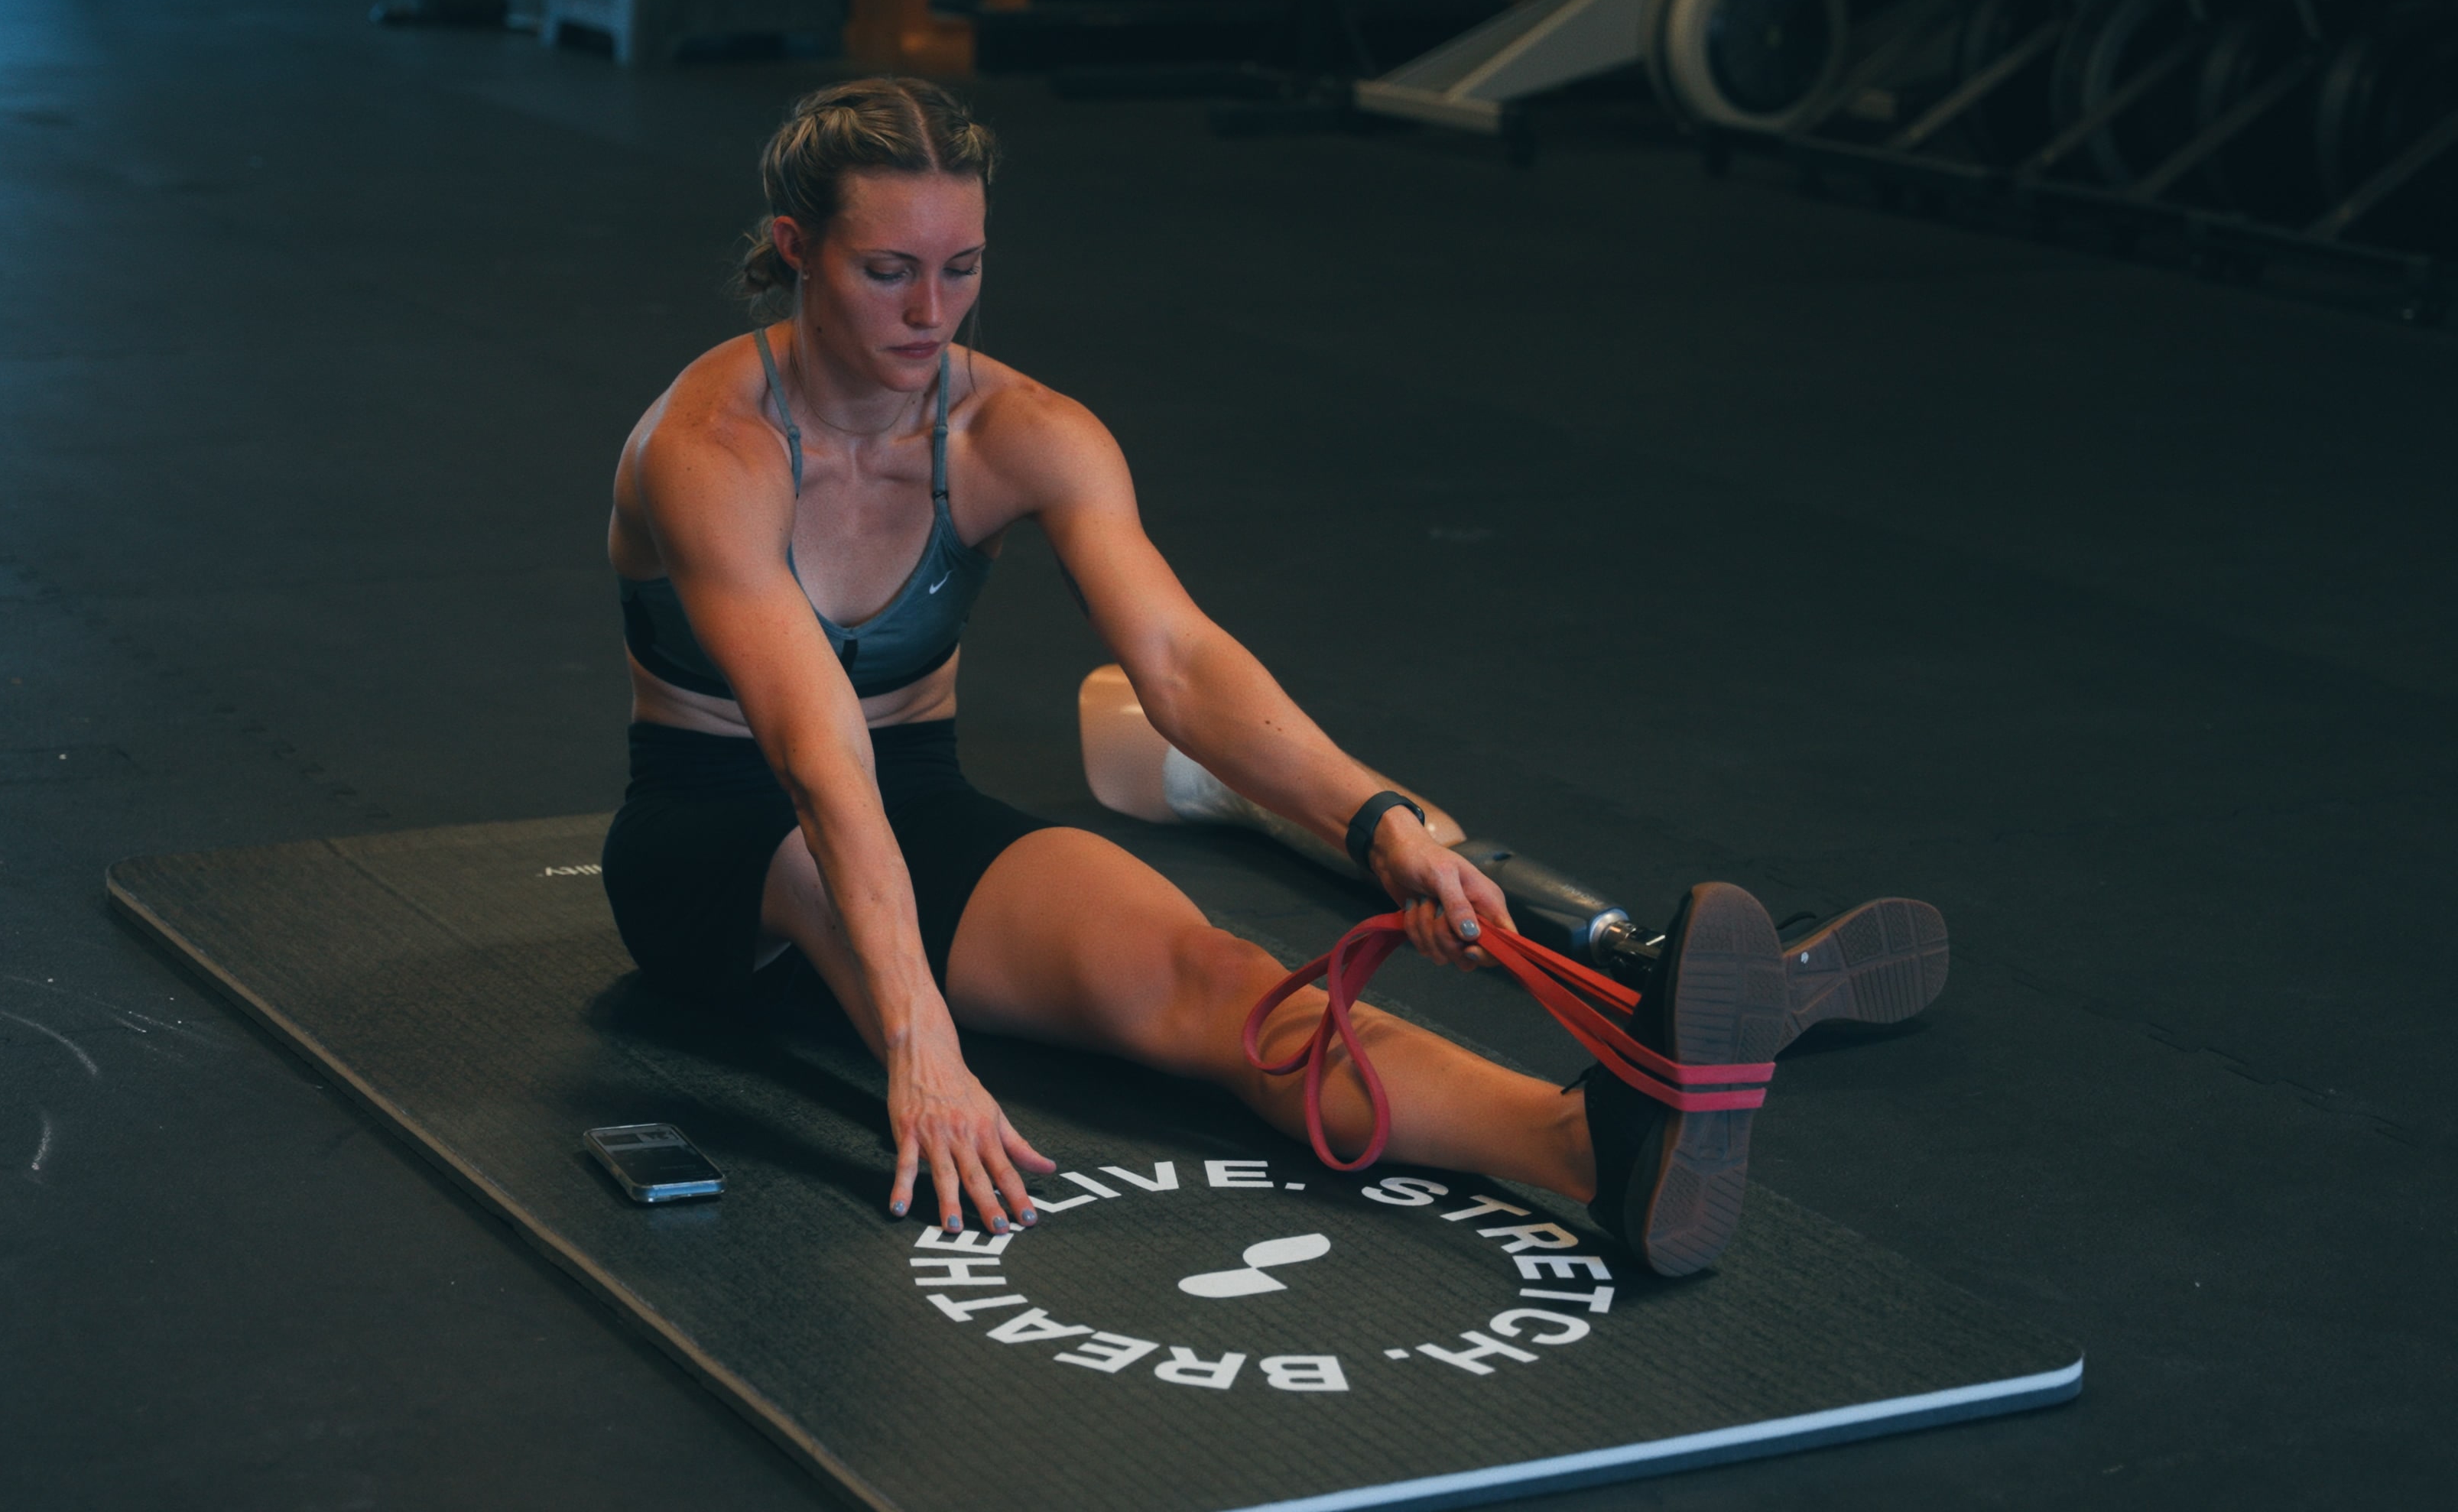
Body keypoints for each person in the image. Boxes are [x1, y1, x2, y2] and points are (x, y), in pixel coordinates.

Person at [600, 78, 1793, 1277]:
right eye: (888, 271)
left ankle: (1591, 1142)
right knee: (817, 864)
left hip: (915, 792)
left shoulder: (1022, 431)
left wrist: (1379, 825)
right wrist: (922, 1047)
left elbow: (1176, 660)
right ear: (797, 249)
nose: (931, 312)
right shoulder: (712, 449)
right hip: (713, 829)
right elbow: (816, 763)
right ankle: (910, 1028)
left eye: (962, 267)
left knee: (1209, 977)